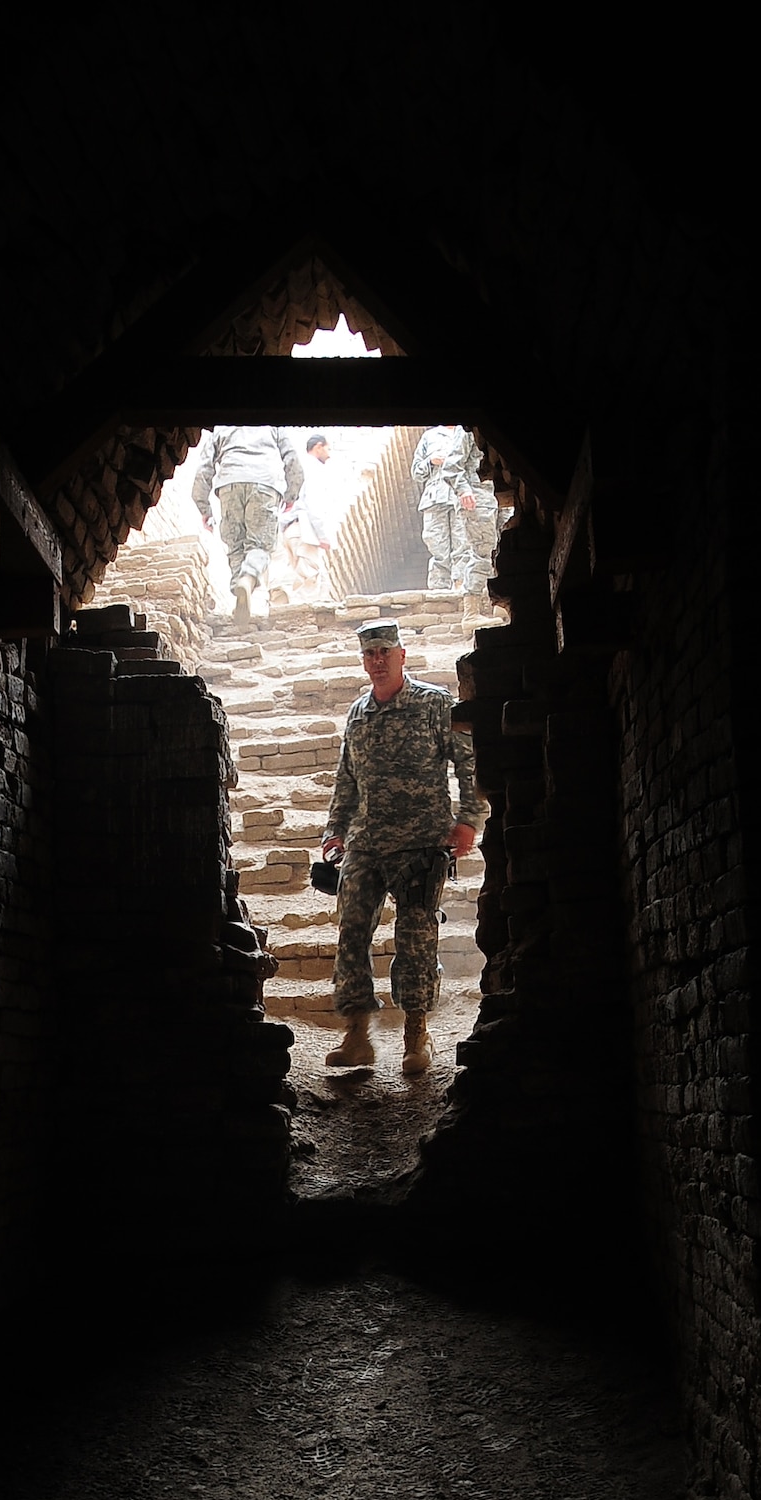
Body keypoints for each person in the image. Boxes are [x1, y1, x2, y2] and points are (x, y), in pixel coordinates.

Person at [320, 619, 482, 1074]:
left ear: (401, 655)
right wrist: (335, 829)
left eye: (384, 653)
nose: (377, 662)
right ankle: (356, 1036)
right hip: (366, 844)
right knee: (351, 931)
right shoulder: (358, 713)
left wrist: (469, 819)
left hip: (420, 844)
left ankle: (416, 1034)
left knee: (414, 937)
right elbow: (346, 778)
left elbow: (468, 762)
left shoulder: (433, 704)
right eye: (369, 655)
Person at [191, 426, 304, 625]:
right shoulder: (273, 427)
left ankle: (240, 594)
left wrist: (204, 507)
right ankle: (248, 578)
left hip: (229, 485)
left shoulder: (220, 429)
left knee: (236, 547)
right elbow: (292, 458)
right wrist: (291, 493)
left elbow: (204, 469)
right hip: (265, 485)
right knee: (260, 545)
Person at [410, 422, 491, 595]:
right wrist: (431, 461)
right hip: (434, 498)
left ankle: (460, 585)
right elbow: (416, 472)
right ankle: (439, 589)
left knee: (462, 542)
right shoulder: (429, 436)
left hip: (461, 497)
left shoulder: (468, 433)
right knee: (436, 543)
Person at [278, 433, 336, 604]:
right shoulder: (313, 468)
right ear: (318, 447)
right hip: (304, 529)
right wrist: (322, 535)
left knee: (298, 577)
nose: (329, 454)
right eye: (328, 448)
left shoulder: (292, 468)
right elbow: (313, 503)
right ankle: (305, 622)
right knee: (309, 578)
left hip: (288, 530)